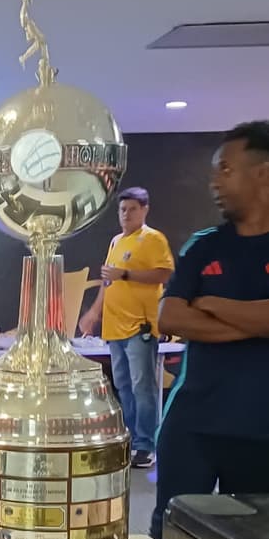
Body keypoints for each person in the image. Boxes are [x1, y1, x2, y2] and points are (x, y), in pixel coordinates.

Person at [150, 121, 269, 539]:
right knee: (172, 534)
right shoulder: (204, 246)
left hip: (260, 429)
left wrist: (214, 304)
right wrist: (256, 322)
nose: (213, 181)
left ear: (262, 174)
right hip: (193, 423)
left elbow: (194, 314)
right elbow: (171, 318)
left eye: (225, 169)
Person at [79, 187, 174, 468]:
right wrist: (93, 313)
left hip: (139, 326)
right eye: (122, 209)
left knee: (142, 386)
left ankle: (146, 445)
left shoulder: (153, 238)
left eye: (132, 209)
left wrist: (127, 273)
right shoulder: (116, 241)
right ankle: (130, 440)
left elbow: (165, 273)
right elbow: (109, 281)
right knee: (123, 386)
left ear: (144, 209)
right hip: (114, 326)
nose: (126, 214)